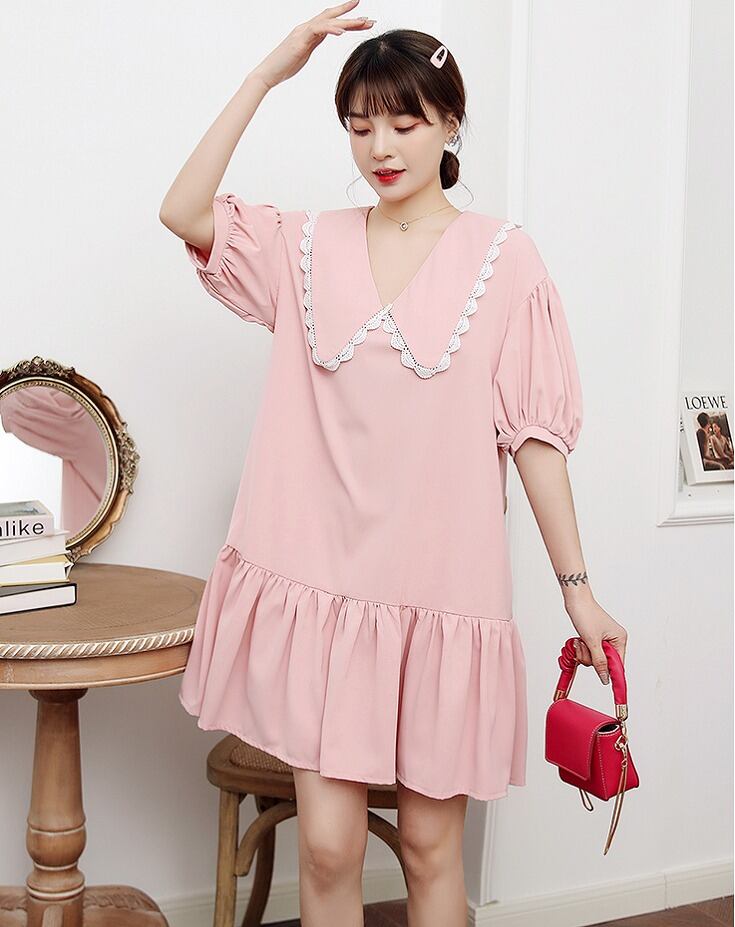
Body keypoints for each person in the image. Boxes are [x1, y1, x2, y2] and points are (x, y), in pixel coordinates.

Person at [159, 4, 629, 926]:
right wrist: (267, 73)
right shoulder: (304, 246)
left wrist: (578, 592)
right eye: (360, 123)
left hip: (439, 592)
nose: (380, 146)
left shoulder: (505, 259)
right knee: (328, 849)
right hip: (322, 589)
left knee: (427, 847)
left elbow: (534, 437)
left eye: (406, 122)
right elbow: (182, 210)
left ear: (451, 122)